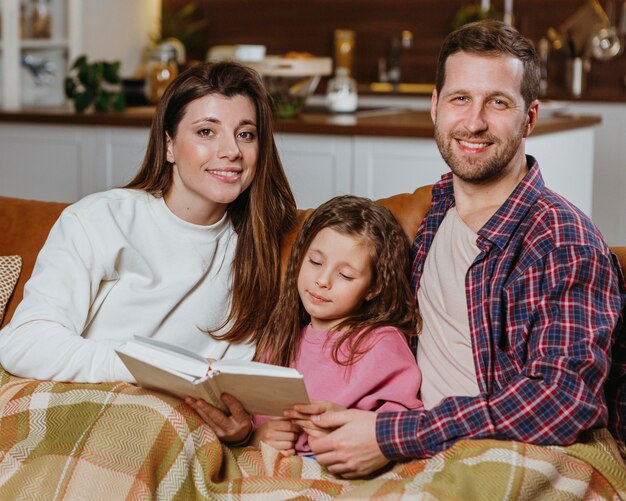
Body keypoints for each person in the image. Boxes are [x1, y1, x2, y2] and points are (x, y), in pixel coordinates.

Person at [284, 20, 626, 478]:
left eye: (498, 102)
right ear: (435, 107)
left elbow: (562, 402)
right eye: (460, 98)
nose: (474, 121)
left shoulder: (561, 238)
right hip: (409, 440)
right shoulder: (430, 214)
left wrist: (392, 435)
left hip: (514, 454)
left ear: (530, 116)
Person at [0, 61, 297, 438]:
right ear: (169, 145)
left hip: (162, 428)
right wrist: (143, 369)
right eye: (207, 131)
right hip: (72, 406)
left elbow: (232, 387)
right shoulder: (101, 219)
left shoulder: (259, 253)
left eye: (246, 134)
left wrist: (239, 428)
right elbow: (23, 343)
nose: (231, 151)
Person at [249, 195, 423, 456]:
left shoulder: (381, 343)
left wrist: (349, 426)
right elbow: (256, 414)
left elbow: (405, 418)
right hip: (278, 465)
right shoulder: (280, 337)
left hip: (342, 464)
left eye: (345, 275)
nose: (322, 280)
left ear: (374, 288)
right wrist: (257, 437)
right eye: (315, 262)